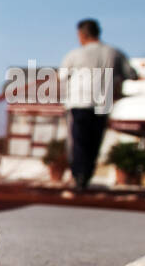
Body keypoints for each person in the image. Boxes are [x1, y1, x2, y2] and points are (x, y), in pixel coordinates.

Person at [59, 18, 139, 189]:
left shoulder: (75, 55)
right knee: (94, 142)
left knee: (79, 142)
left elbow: (62, 77)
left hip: (79, 103)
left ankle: (79, 176)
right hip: (102, 104)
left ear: (82, 35)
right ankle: (85, 176)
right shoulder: (114, 53)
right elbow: (131, 74)